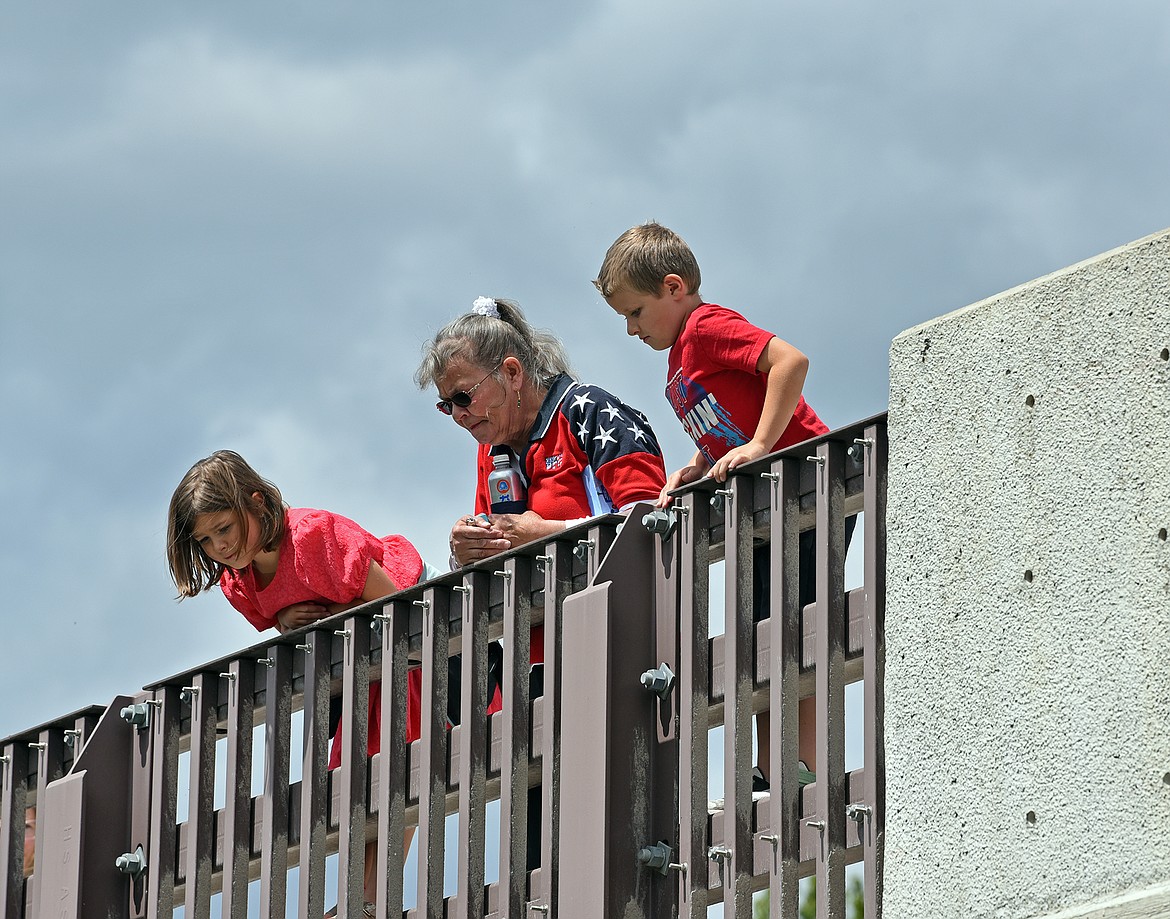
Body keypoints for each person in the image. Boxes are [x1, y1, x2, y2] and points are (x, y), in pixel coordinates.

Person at [595, 221, 848, 794]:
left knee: (797, 625)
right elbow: (722, 419)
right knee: (765, 627)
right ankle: (775, 762)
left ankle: (800, 758)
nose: (630, 329)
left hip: (806, 490)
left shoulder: (707, 328)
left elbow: (790, 362)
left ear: (673, 287)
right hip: (769, 509)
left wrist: (759, 445)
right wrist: (696, 462)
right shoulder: (680, 356)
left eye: (634, 312)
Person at [415, 295, 669, 866]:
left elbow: (654, 525)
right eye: (445, 406)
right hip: (533, 670)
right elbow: (499, 550)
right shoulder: (492, 449)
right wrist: (466, 552)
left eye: (463, 397)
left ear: (510, 371)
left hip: (618, 651)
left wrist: (545, 532)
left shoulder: (592, 415)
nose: (458, 415)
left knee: (610, 842)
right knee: (537, 857)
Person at [167, 450, 429, 915]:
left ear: (256, 501)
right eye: (205, 540)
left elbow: (399, 605)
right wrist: (288, 620)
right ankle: (361, 899)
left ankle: (370, 896)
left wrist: (336, 619)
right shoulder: (240, 583)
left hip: (408, 643)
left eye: (224, 528)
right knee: (355, 770)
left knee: (398, 757)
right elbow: (291, 616)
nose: (219, 548)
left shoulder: (312, 537)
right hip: (360, 666)